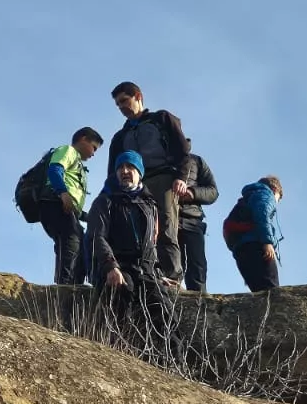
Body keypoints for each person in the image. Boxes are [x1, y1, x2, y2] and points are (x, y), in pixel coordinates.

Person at [106, 81, 195, 284]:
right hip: (134, 187)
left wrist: (181, 178)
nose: (121, 107)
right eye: (118, 105)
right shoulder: (120, 137)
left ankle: (172, 278)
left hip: (163, 179)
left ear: (138, 96)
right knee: (140, 233)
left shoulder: (161, 119)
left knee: (165, 227)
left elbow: (183, 151)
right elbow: (113, 171)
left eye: (124, 101)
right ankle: (150, 278)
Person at [89, 151, 178, 350]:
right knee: (121, 302)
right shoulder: (105, 202)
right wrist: (111, 266)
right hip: (119, 268)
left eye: (130, 167)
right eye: (120, 168)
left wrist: (157, 273)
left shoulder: (150, 206)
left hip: (146, 272)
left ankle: (172, 367)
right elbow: (97, 237)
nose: (125, 171)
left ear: (140, 173)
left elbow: (150, 245)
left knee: (164, 313)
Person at [40, 127, 104, 285]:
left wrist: (87, 217)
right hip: (55, 202)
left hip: (66, 208)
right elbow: (55, 170)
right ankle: (65, 287)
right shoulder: (68, 151)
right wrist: (63, 192)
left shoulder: (78, 164)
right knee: (71, 241)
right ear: (83, 139)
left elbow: (73, 203)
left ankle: (76, 284)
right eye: (94, 147)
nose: (94, 153)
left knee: (80, 243)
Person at [222, 175, 284, 292]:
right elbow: (262, 215)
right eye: (278, 198)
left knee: (258, 291)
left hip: (241, 249)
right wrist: (267, 242)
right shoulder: (266, 194)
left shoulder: (249, 197)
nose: (277, 202)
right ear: (275, 190)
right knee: (272, 290)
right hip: (256, 245)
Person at [177, 144, 219, 292]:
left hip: (191, 221)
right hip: (163, 221)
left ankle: (200, 310)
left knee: (197, 270)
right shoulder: (156, 159)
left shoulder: (196, 161)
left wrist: (192, 193)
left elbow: (213, 192)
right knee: (165, 271)